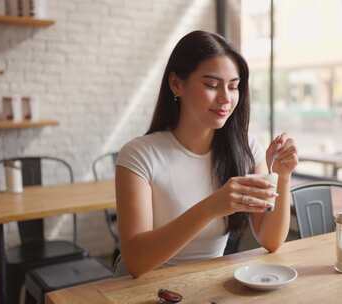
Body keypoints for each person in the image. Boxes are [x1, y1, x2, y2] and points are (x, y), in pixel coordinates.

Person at [114, 31, 298, 278]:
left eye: (233, 87)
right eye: (211, 85)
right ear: (176, 84)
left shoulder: (245, 149)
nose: (225, 98)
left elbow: (271, 240)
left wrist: (282, 177)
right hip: (140, 289)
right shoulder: (139, 155)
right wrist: (211, 207)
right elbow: (135, 261)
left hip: (204, 284)